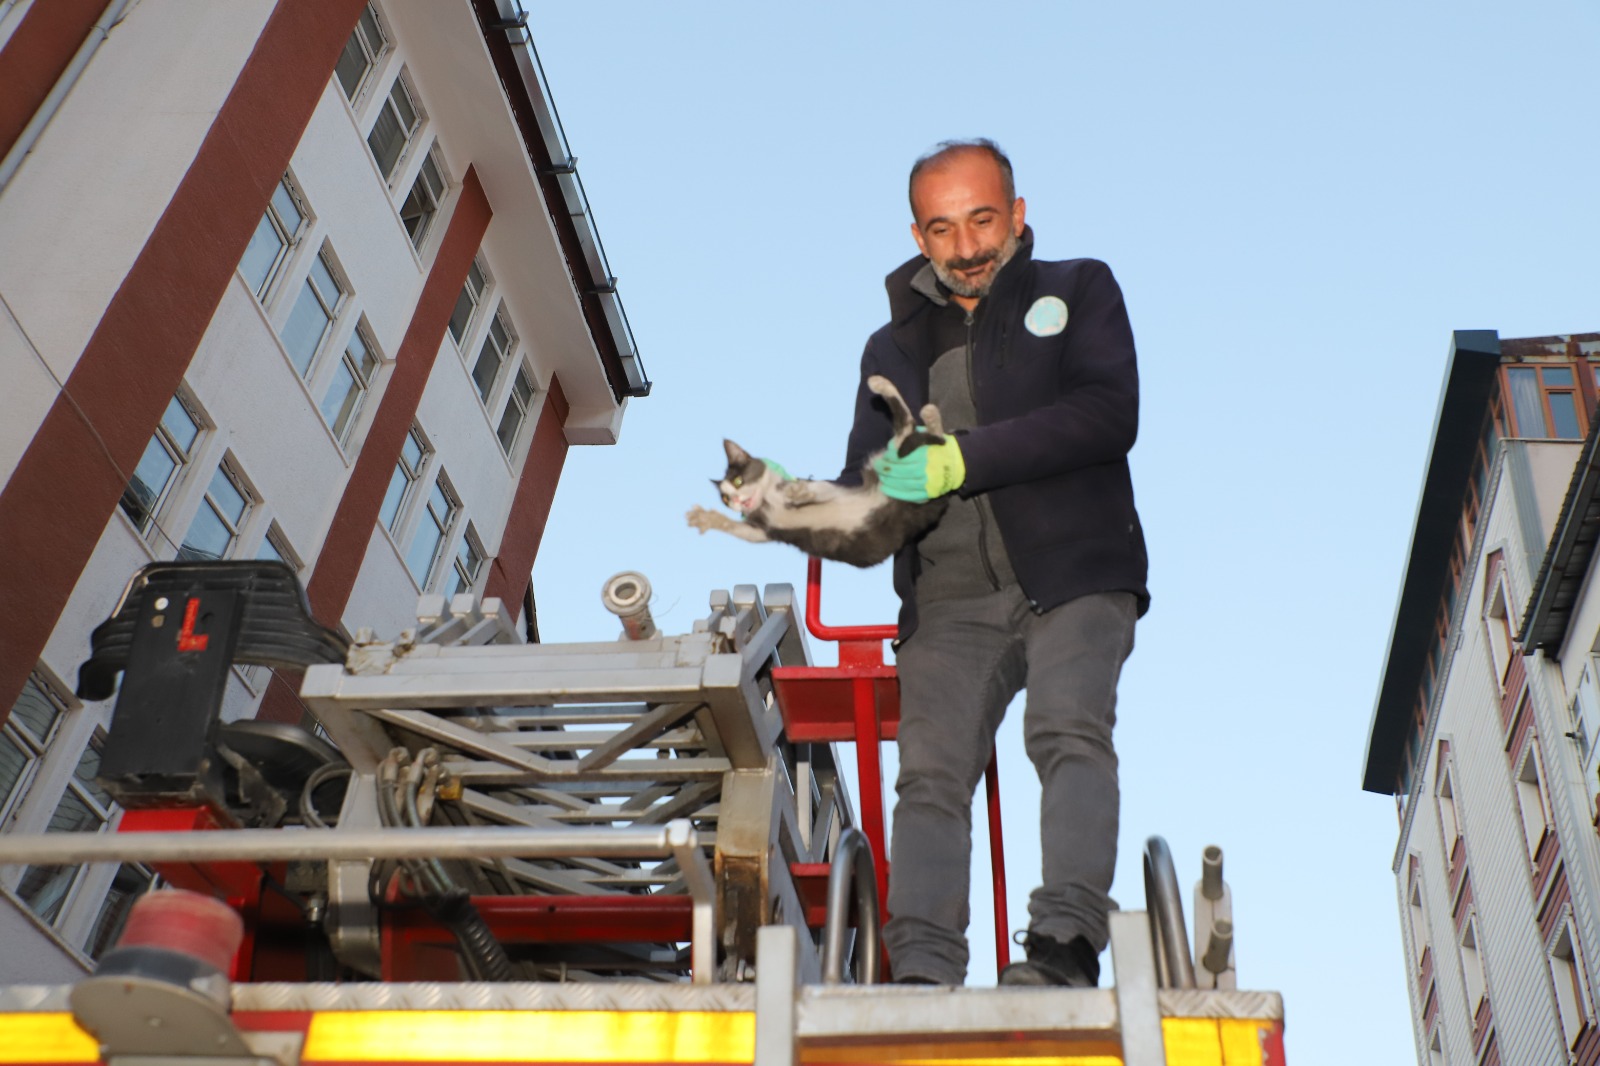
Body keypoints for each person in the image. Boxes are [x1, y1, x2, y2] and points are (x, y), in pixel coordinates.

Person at [837, 139, 1148, 987]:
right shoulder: (890, 345)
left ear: (1016, 213)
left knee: (1066, 728)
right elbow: (871, 478)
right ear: (918, 234)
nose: (967, 247)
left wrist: (961, 459)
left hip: (1074, 572)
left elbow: (1105, 413)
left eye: (982, 220)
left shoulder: (1077, 289)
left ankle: (1062, 948)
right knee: (929, 777)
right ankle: (923, 973)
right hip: (950, 601)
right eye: (943, 229)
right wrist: (819, 507)